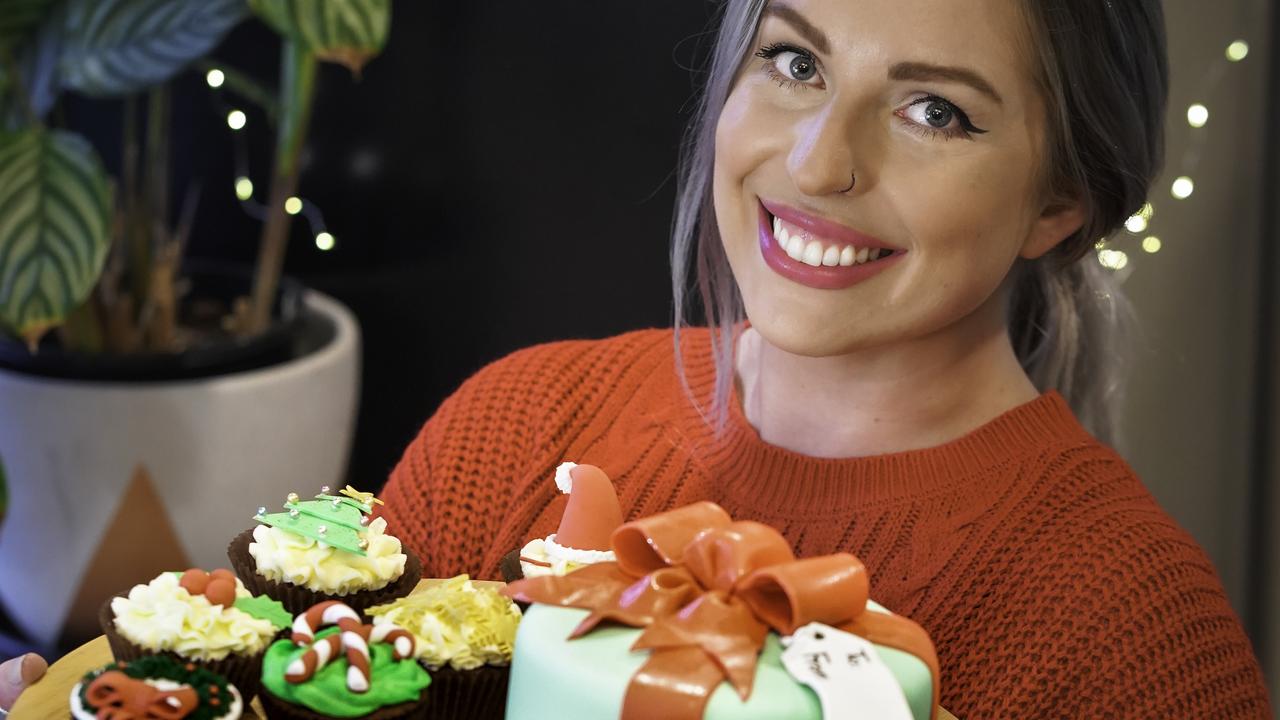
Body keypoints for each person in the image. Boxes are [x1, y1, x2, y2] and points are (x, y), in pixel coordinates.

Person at [379, 0, 1271, 717]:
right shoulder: (514, 427)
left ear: (1059, 204)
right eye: (797, 63)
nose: (818, 165)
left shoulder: (1133, 631)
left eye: (936, 112)